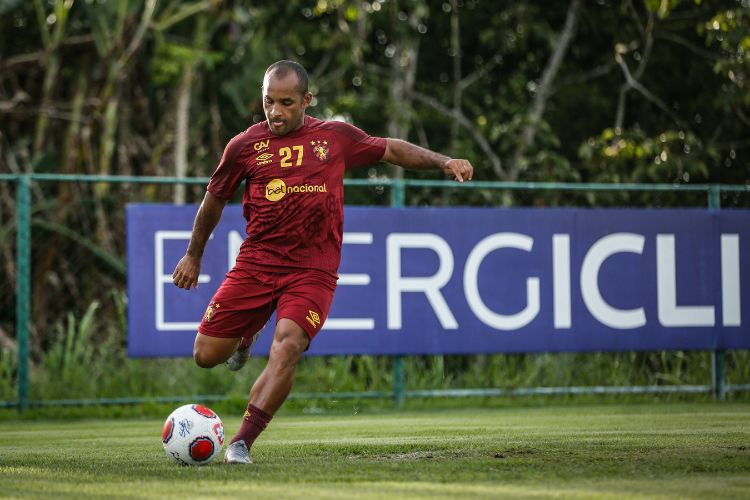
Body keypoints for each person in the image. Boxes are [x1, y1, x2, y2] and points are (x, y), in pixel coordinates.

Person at [171, 60, 473, 464]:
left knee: (289, 344)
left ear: (306, 101)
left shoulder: (333, 137)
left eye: (286, 102)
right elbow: (214, 201)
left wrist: (444, 161)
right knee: (205, 355)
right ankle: (247, 334)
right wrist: (193, 254)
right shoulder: (244, 146)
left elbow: (390, 149)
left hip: (313, 269)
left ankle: (242, 441)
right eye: (268, 102)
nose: (275, 112)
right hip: (257, 262)